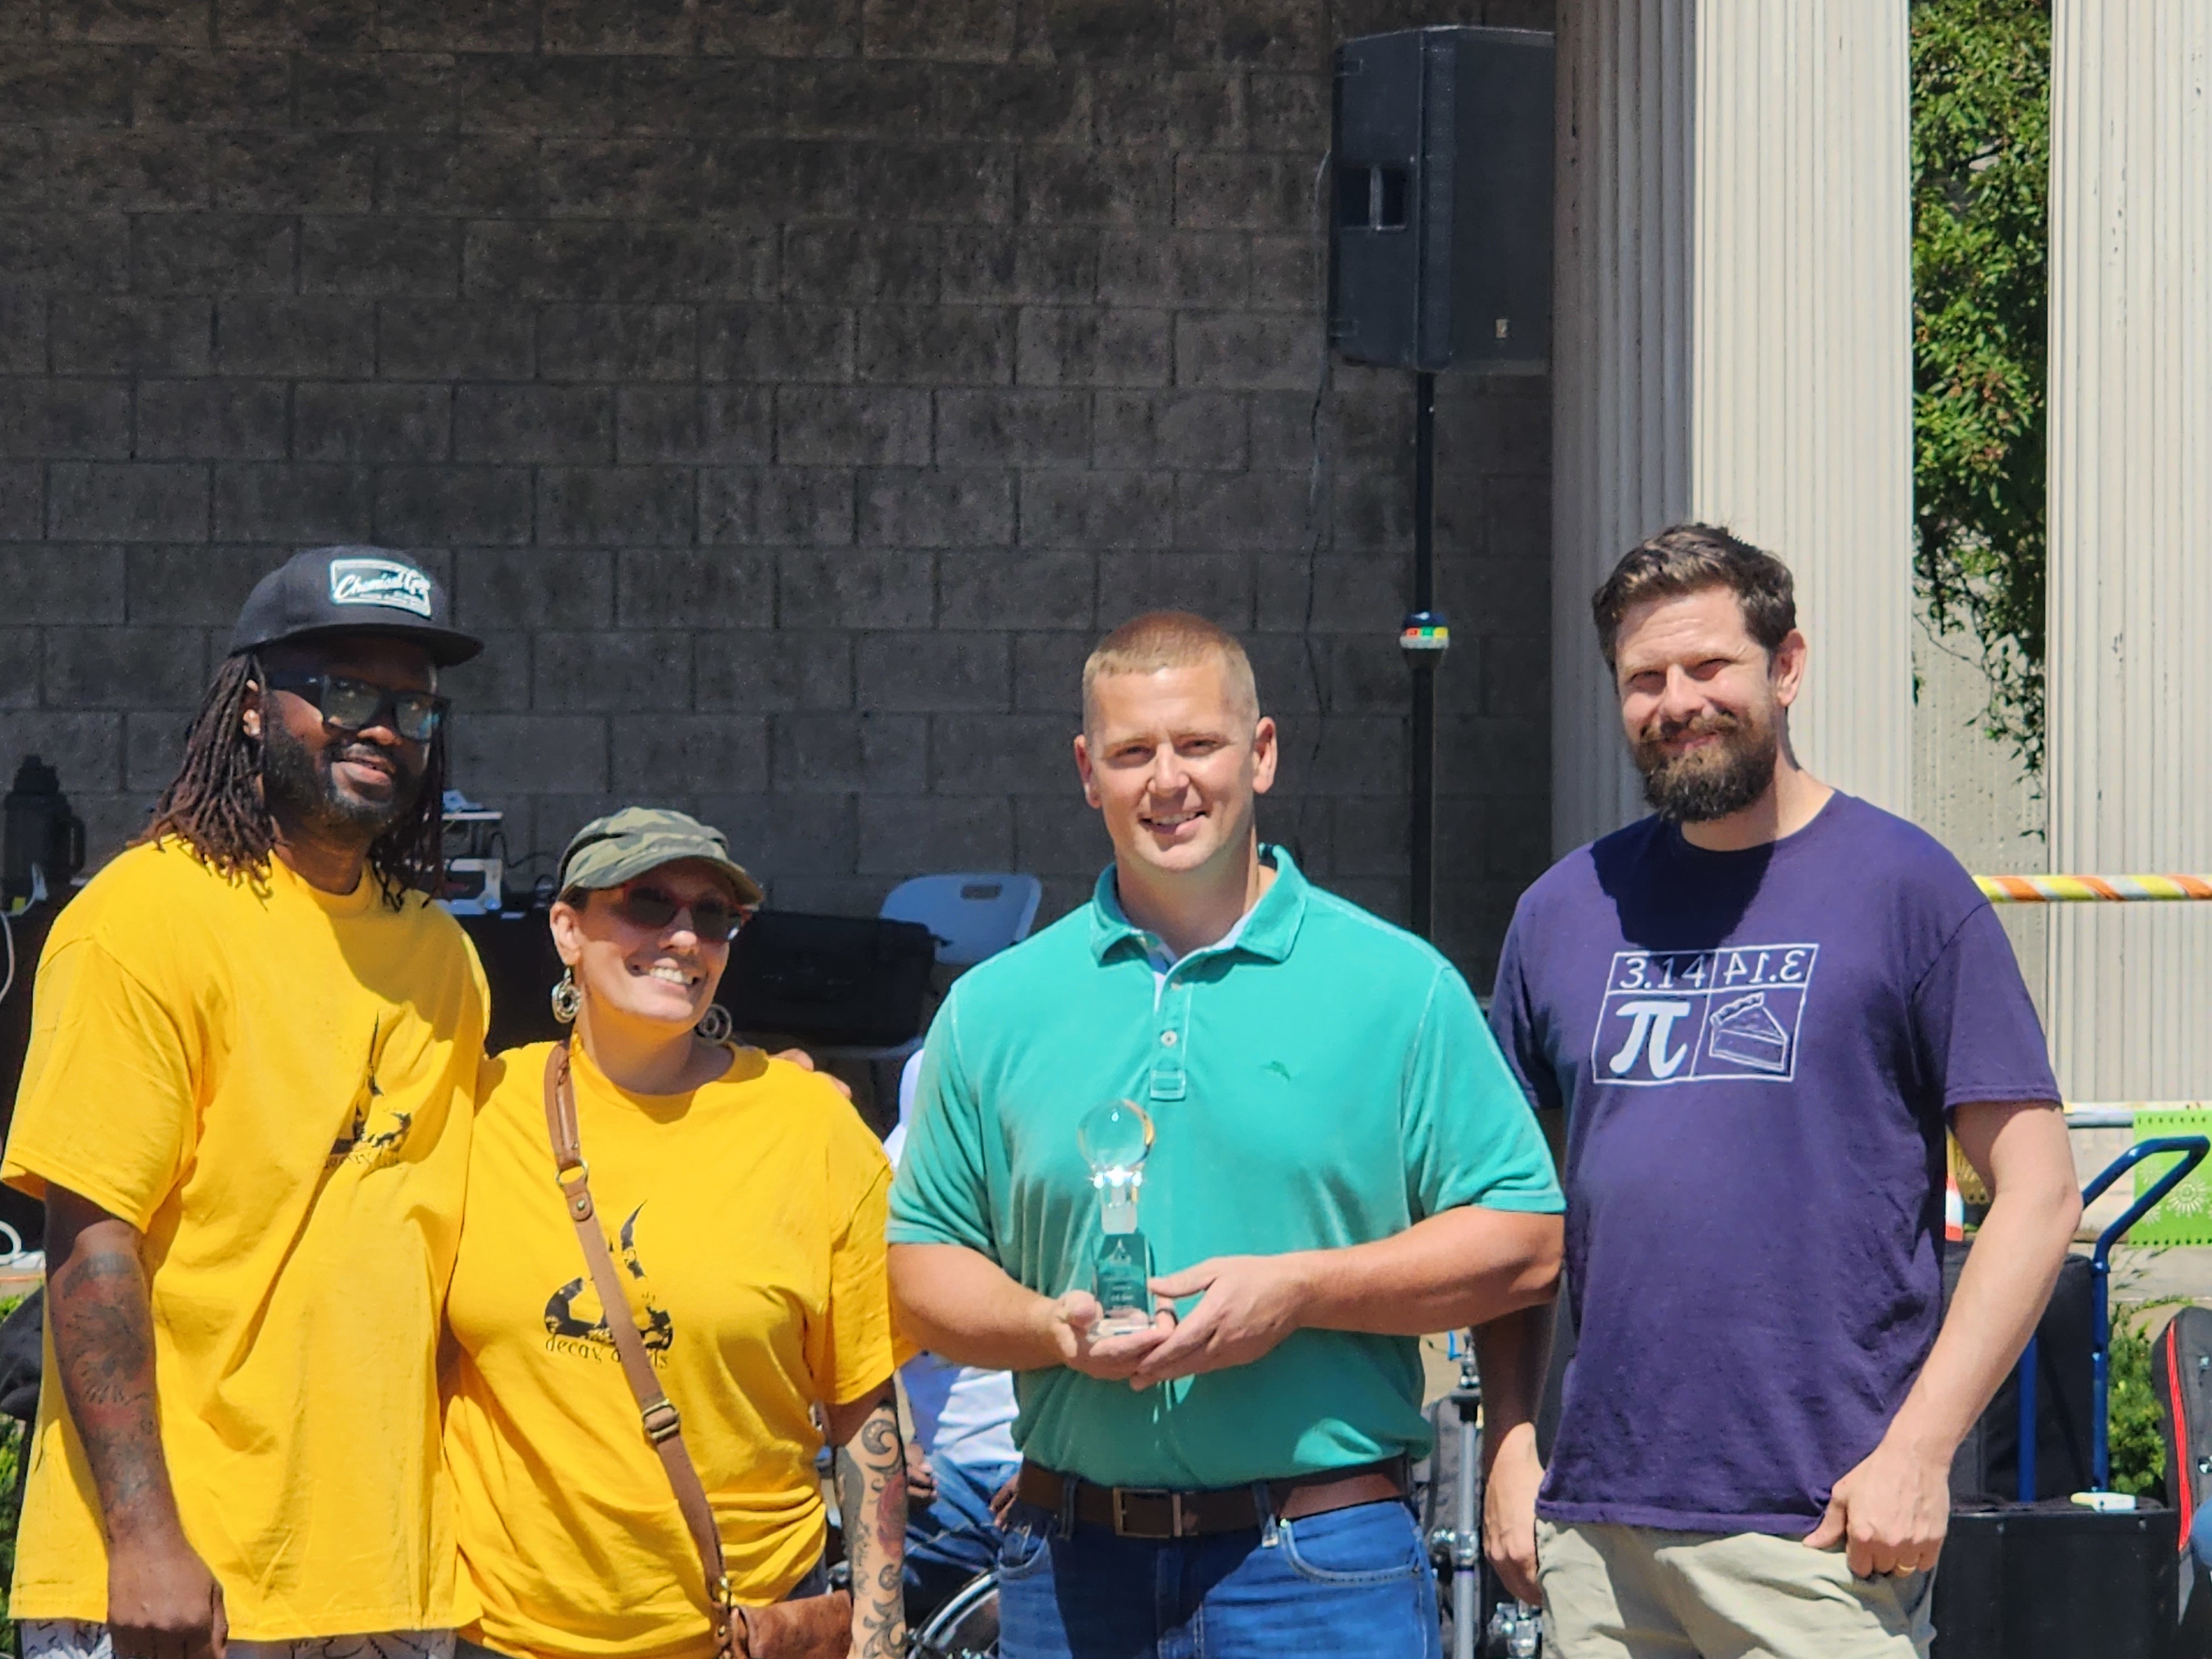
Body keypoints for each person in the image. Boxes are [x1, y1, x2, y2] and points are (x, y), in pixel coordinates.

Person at [886, 611, 1565, 1659]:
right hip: (1072, 1566)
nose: (1168, 781)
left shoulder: (1399, 990)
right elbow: (921, 1266)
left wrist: (1300, 1292)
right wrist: (1049, 1329)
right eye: (1131, 752)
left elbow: (1527, 1239)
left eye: (1198, 744)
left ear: (1262, 753)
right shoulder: (995, 1009)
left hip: (1317, 1561)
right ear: (1086, 771)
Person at [1481, 525, 2082, 1659]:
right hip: (1594, 1536)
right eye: (1643, 679)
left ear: (1784, 667)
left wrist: (1918, 1450)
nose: (1676, 702)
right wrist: (1510, 1439)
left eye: (1708, 667)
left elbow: (2039, 1193)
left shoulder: (1905, 890)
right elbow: (1506, 1216)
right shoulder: (1562, 911)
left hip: (1819, 1534)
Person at [4, 546, 489, 1659]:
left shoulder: (442, 958)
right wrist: (143, 1540)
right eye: (346, 691)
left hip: (390, 1577)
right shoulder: (145, 921)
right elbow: (91, 1244)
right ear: (253, 709)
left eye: (413, 705)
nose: (384, 727)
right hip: (183, 1581)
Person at [441, 807, 906, 1659]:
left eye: (714, 916)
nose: (685, 937)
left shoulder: (812, 1130)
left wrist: (879, 1635)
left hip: (739, 1631)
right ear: (567, 930)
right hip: (500, 1636)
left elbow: (863, 1410)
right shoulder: (476, 1112)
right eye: (648, 904)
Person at [882, 1053, 1021, 1626]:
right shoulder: (887, 1207)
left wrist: (1062, 1464)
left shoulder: (1061, 1194)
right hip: (949, 1484)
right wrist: (887, 1445)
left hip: (1057, 1474)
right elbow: (827, 1357)